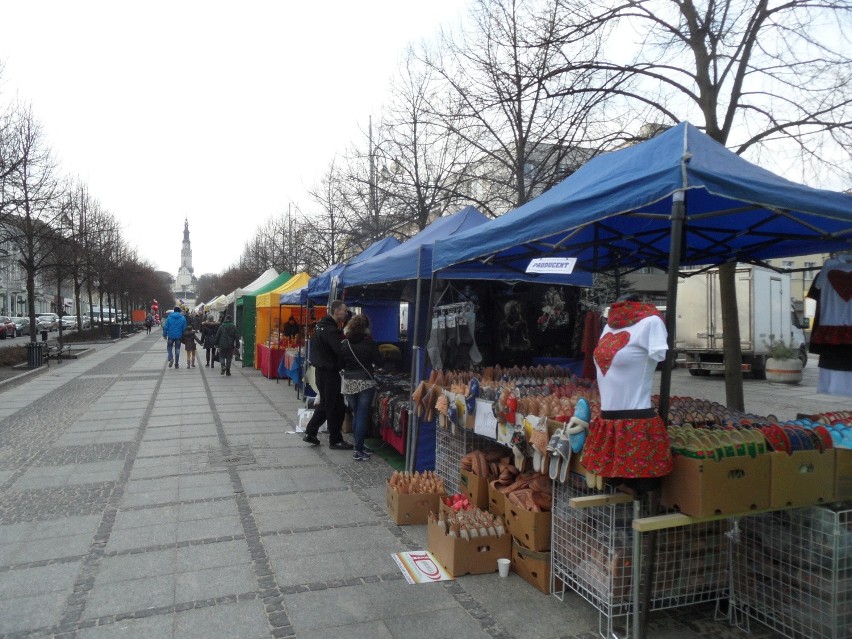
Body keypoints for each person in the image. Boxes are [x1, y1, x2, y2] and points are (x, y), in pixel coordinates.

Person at [302, 300, 352, 450]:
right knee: (335, 406)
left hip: (321, 371)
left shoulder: (320, 326)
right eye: (344, 310)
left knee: (326, 404)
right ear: (336, 311)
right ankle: (335, 440)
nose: (346, 312)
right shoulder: (331, 330)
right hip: (329, 373)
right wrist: (345, 363)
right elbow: (339, 351)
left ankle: (310, 433)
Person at [340, 314, 382, 461]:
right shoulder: (369, 343)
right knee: (362, 416)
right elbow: (379, 361)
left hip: (349, 383)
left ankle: (359, 445)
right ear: (366, 328)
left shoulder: (344, 343)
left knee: (357, 414)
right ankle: (358, 450)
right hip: (365, 382)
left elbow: (340, 363)